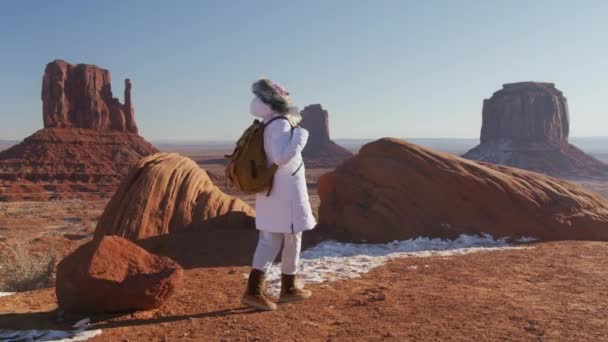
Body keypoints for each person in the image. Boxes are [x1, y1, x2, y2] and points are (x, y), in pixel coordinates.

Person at [241, 78, 317, 311]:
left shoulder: (267, 124)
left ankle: (265, 290)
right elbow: (282, 157)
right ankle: (283, 288)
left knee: (270, 240)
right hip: (286, 195)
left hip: (272, 192)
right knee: (291, 237)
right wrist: (301, 135)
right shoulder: (281, 124)